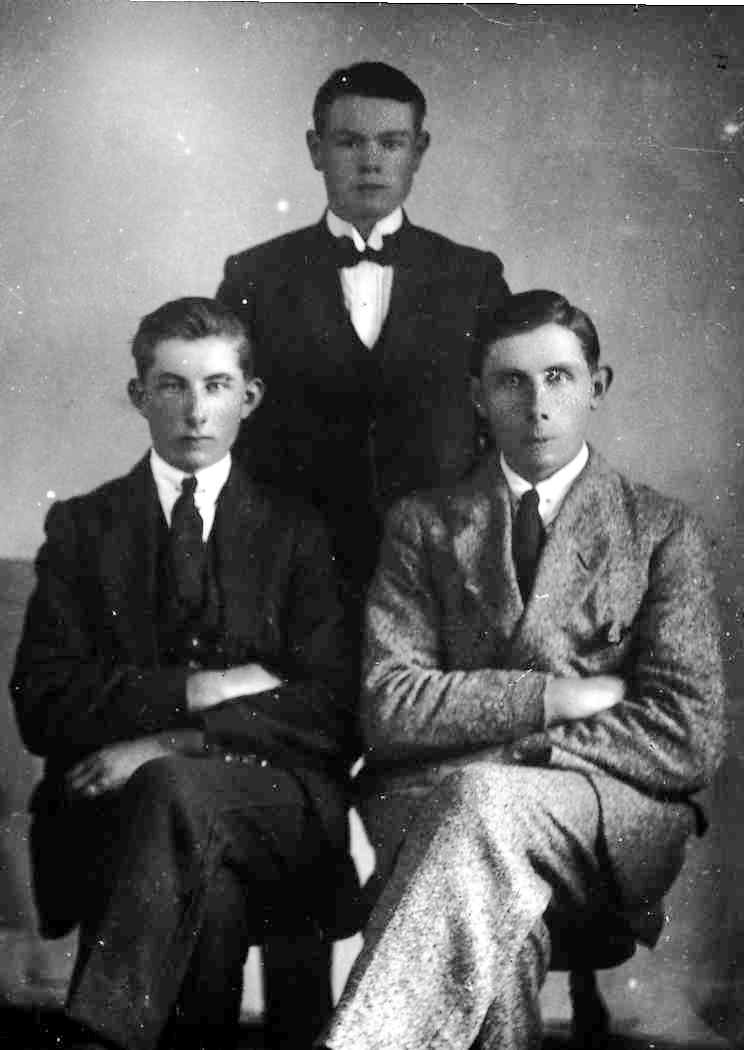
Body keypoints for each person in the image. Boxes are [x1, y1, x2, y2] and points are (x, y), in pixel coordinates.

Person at [318, 290, 727, 1050]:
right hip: (438, 813)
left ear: (597, 386)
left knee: (477, 800)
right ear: (478, 397)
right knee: (496, 916)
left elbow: (686, 734)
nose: (537, 404)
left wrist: (495, 752)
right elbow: (390, 705)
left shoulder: (661, 530)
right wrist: (554, 697)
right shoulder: (425, 525)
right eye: (511, 381)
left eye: (559, 378)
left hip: (604, 819)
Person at [10, 297, 359, 1050]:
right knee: (210, 891)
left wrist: (169, 742)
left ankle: (100, 1036)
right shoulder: (85, 527)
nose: (195, 411)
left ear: (250, 396)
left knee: (170, 789)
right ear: (139, 395)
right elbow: (43, 702)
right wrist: (206, 687)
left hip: (277, 804)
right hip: (117, 812)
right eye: (172, 386)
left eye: (216, 386)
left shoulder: (297, 530)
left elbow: (334, 707)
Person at [216, 61, 510, 612]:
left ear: (419, 151)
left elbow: (504, 425)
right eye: (349, 142)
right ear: (316, 149)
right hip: (291, 576)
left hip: (442, 571)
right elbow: (222, 423)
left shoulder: (473, 278)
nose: (371, 161)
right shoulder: (254, 276)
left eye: (391, 143)